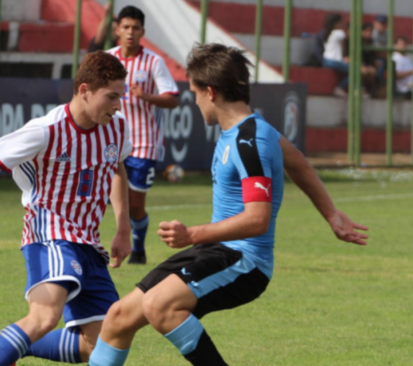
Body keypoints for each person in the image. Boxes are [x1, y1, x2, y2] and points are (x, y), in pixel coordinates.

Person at [87, 43, 369, 366]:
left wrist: (192, 234)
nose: (193, 101)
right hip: (215, 250)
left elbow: (257, 219)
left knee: (159, 307)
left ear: (211, 92)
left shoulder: (251, 142)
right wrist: (331, 214)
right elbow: (299, 164)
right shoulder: (249, 131)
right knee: (119, 317)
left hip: (245, 260)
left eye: (194, 93)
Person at [0, 51, 132, 366]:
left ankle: (7, 342)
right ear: (85, 90)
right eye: (112, 96)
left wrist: (123, 227)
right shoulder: (46, 129)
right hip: (49, 231)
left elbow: (116, 168)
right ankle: (9, 345)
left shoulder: (117, 128)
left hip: (89, 242)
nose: (118, 105)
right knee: (45, 316)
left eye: (121, 96)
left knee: (99, 343)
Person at [106, 5, 179, 264]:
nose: (130, 32)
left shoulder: (153, 61)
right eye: (126, 27)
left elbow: (172, 98)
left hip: (143, 142)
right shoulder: (107, 58)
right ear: (117, 30)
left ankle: (138, 249)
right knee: (103, 195)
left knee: (135, 204)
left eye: (136, 28)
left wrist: (146, 96)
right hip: (109, 140)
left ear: (142, 32)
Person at [320, 13, 349, 97]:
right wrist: (344, 58)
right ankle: (340, 87)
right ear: (336, 23)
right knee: (355, 71)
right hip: (334, 61)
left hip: (326, 60)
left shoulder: (325, 33)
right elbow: (343, 48)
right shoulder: (339, 33)